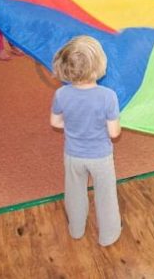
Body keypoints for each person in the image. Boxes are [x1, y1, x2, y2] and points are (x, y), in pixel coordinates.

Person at [50, 36, 122, 246]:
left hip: (73, 155)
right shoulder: (108, 96)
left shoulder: (61, 94)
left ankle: (76, 229)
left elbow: (55, 122)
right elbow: (114, 133)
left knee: (74, 192)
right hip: (100, 157)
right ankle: (109, 235)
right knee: (106, 195)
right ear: (98, 66)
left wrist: (75, 124)